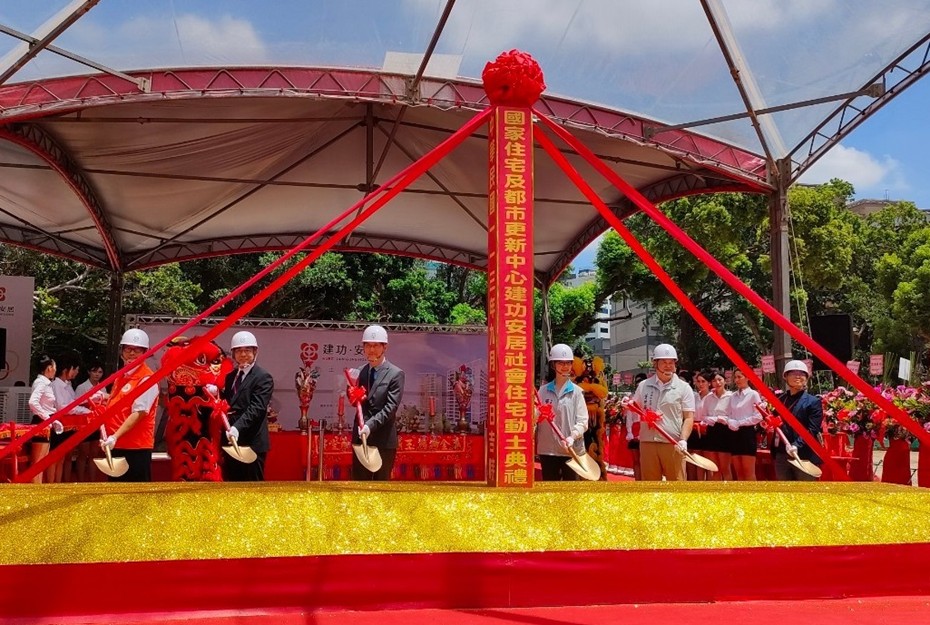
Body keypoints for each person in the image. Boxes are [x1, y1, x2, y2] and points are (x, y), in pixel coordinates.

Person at [99, 329, 160, 482]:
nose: (131, 353)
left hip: (136, 448)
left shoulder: (147, 379)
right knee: (116, 497)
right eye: (128, 349)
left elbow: (139, 413)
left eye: (137, 350)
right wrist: (103, 398)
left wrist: (114, 437)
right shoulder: (122, 376)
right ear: (122, 351)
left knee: (135, 499)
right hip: (116, 445)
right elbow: (119, 403)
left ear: (145, 352)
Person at [632, 344, 694, 481]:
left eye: (671, 362)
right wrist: (628, 404)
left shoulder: (684, 388)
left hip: (673, 443)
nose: (668, 366)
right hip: (648, 442)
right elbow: (634, 407)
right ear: (655, 363)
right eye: (664, 362)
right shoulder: (643, 386)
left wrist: (683, 439)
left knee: (676, 484)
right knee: (650, 485)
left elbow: (689, 417)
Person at [351, 324, 404, 481]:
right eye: (367, 345)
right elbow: (358, 403)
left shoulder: (396, 374)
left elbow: (390, 407)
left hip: (383, 440)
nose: (371, 350)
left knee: (380, 488)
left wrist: (369, 425)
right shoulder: (359, 372)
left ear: (384, 347)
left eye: (375, 345)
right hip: (361, 440)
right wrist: (351, 395)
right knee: (359, 488)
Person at [221, 330, 274, 481]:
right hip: (231, 442)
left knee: (252, 489)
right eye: (239, 351)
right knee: (232, 487)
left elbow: (257, 408)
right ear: (233, 353)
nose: (243, 354)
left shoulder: (263, 377)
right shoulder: (230, 377)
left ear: (255, 352)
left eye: (247, 350)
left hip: (252, 442)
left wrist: (237, 427)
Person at [536, 344, 588, 481]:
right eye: (560, 363)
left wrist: (572, 436)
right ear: (553, 365)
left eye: (568, 363)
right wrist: (538, 414)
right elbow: (533, 419)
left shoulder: (577, 392)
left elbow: (583, 421)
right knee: (550, 491)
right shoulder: (543, 391)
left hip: (570, 451)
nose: (565, 366)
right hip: (547, 450)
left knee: (570, 493)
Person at [772, 359, 823, 481]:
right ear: (786, 377)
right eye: (793, 373)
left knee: (805, 493)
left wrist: (796, 445)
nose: (798, 377)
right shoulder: (780, 399)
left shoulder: (813, 402)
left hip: (804, 455)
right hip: (782, 454)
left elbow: (813, 429)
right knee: (784, 493)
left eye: (801, 374)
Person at [49, 352, 91, 483]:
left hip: (65, 427)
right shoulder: (56, 385)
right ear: (67, 369)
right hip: (56, 425)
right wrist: (86, 411)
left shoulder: (68, 385)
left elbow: (74, 403)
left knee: (61, 458)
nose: (77, 372)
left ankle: (58, 484)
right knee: (54, 458)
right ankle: (51, 486)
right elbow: (64, 407)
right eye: (75, 369)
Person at [28, 354, 59, 484]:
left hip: (46, 421)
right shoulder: (41, 383)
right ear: (49, 368)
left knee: (42, 460)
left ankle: (38, 489)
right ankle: (36, 491)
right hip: (42, 421)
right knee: (38, 461)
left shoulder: (46, 383)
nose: (56, 370)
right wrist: (47, 418)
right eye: (55, 367)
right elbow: (33, 402)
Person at [727, 370, 763, 481]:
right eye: (735, 377)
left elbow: (758, 416)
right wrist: (730, 422)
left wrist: (740, 422)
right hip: (734, 434)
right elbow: (728, 413)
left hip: (747, 433)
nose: (737, 380)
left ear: (747, 378)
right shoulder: (733, 396)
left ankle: (753, 497)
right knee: (739, 472)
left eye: (739, 377)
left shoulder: (753, 394)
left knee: (748, 472)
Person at [701, 368, 733, 481]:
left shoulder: (731, 397)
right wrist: (715, 419)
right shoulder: (708, 398)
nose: (717, 383)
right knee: (714, 469)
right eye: (714, 381)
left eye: (720, 380)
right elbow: (703, 416)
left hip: (726, 433)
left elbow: (733, 416)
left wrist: (723, 419)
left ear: (725, 381)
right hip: (712, 432)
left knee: (725, 469)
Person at [687, 370, 712, 481]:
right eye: (698, 381)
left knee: (708, 462)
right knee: (693, 461)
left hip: (707, 431)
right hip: (693, 430)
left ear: (709, 383)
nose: (700, 384)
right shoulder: (694, 396)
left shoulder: (712, 397)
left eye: (703, 381)